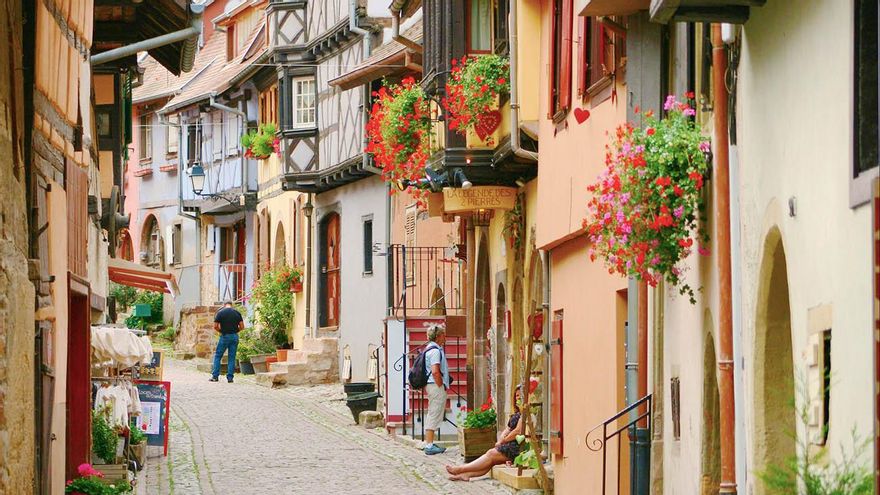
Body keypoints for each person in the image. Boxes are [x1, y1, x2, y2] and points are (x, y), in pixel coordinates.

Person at [445, 385, 525, 481]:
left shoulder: (524, 414)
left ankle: (460, 469)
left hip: (517, 447)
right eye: (516, 396)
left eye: (520, 396)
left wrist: (503, 441)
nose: (518, 398)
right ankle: (466, 475)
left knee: (491, 454)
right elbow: (507, 429)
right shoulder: (516, 414)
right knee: (491, 461)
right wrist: (500, 440)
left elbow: (517, 431)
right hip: (508, 444)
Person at [423, 324, 451, 455]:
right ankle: (429, 445)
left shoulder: (430, 349)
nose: (445, 337)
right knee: (434, 413)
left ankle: (429, 442)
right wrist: (441, 385)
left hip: (432, 385)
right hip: (435, 385)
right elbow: (435, 371)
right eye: (443, 334)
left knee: (433, 412)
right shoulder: (435, 351)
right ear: (438, 336)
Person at [210, 301, 244, 383]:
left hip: (224, 336)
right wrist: (236, 331)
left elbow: (215, 326)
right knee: (232, 357)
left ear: (224, 305)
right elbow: (242, 326)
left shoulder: (220, 313)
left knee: (218, 356)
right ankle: (230, 378)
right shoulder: (237, 313)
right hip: (234, 336)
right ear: (232, 305)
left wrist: (221, 331)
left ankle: (215, 376)